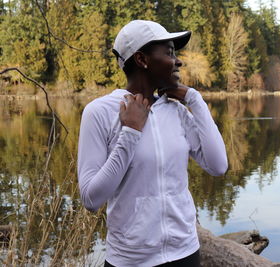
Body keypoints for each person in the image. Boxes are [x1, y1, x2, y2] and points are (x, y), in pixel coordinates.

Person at [77, 20, 228, 267]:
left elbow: (219, 166)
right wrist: (131, 132)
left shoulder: (176, 110)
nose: (177, 61)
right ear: (142, 60)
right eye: (169, 53)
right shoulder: (99, 112)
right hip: (131, 261)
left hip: (185, 253)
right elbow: (91, 199)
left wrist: (195, 100)